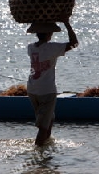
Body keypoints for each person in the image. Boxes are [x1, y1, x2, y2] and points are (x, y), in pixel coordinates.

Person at [26, 17, 78, 146]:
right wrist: (67, 24)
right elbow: (74, 43)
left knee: (49, 119)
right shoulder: (51, 48)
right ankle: (39, 155)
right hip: (46, 91)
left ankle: (46, 146)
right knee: (43, 126)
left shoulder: (31, 47)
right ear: (49, 34)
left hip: (32, 90)